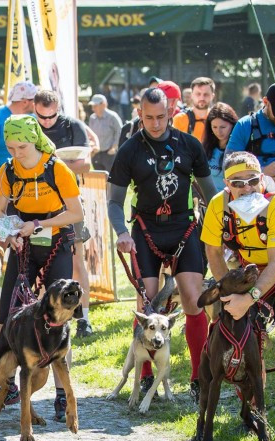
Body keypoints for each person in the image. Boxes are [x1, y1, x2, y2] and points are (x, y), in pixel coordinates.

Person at [107, 87, 216, 402]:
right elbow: (114, 202)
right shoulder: (129, 150)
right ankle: (145, 377)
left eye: (161, 117)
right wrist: (121, 233)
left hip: (184, 228)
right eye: (149, 117)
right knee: (148, 305)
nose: (155, 124)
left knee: (194, 301)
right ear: (139, 114)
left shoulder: (189, 145)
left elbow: (212, 195)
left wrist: (225, 230)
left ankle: (198, 378)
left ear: (171, 112)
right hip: (146, 229)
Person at [202, 151, 275, 441]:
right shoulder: (218, 206)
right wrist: (229, 295)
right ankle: (250, 410)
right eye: (238, 183)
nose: (247, 188)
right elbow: (213, 253)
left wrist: (248, 298)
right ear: (227, 185)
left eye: (253, 181)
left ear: (262, 180)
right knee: (244, 334)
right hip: (248, 269)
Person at [0, 115, 84, 421]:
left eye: (22, 146)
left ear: (35, 140)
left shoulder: (56, 168)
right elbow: (0, 211)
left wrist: (37, 224)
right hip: (23, 245)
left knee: (59, 315)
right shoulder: (8, 170)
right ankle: (9, 384)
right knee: (7, 313)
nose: (16, 153)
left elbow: (75, 212)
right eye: (10, 147)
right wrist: (10, 233)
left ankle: (61, 392)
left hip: (55, 241)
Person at [35, 89, 95, 338]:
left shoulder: (73, 126)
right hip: (40, 207)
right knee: (41, 262)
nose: (47, 122)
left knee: (77, 261)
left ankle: (84, 318)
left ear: (58, 109)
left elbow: (86, 164)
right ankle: (43, 315)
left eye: (51, 117)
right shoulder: (30, 128)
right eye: (42, 117)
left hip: (70, 204)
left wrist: (54, 165)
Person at [0, 81, 37, 244]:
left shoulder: (32, 118)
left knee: (28, 234)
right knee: (1, 236)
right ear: (26, 101)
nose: (37, 104)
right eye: (34, 100)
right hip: (2, 184)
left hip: (27, 184)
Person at [226, 82, 275, 185]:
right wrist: (262, 171)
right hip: (253, 191)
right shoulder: (245, 125)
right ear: (265, 102)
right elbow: (228, 165)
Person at [202, 102, 239, 191]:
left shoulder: (240, 149)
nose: (218, 132)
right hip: (208, 201)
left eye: (223, 127)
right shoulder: (205, 148)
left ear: (232, 125)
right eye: (214, 127)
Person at [88, 94, 123, 173]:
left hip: (109, 154)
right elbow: (90, 135)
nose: (93, 108)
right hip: (96, 154)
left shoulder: (113, 117)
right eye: (92, 106)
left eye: (95, 106)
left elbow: (120, 132)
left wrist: (114, 147)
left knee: (111, 180)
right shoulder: (92, 118)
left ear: (103, 105)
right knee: (99, 180)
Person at [173, 77, 215, 141]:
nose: (202, 98)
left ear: (212, 96)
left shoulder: (217, 119)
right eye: (198, 94)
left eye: (206, 94)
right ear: (192, 95)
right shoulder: (180, 119)